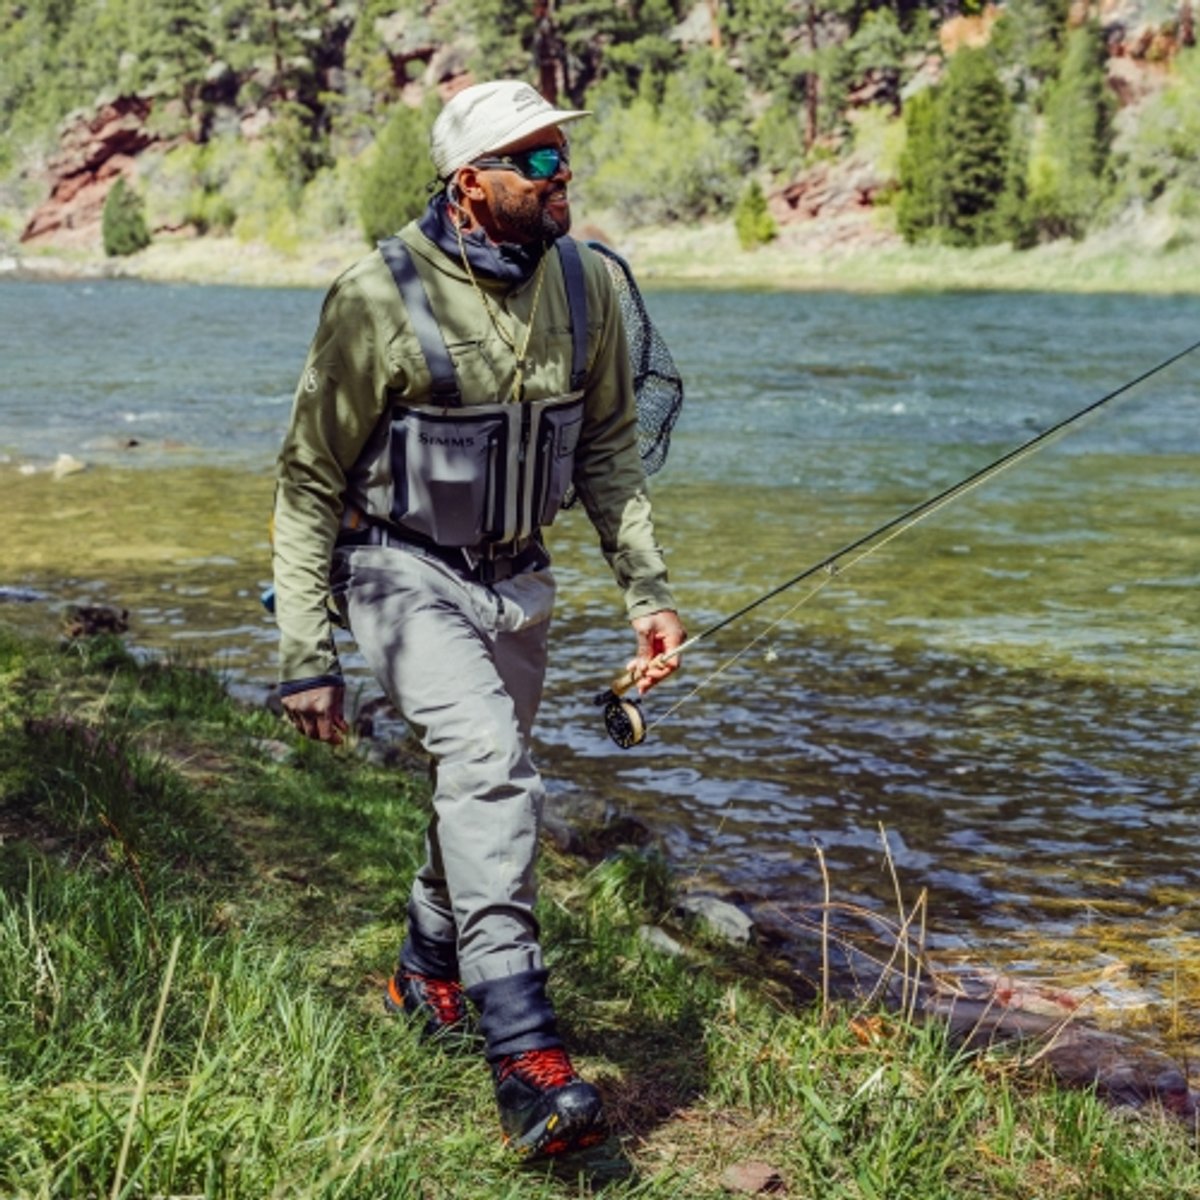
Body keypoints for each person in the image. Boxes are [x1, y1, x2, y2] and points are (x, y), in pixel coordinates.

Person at [270, 78, 685, 1158]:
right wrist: (306, 656)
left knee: (478, 789)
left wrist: (648, 595)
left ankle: (423, 975)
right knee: (494, 770)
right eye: (538, 161)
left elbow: (607, 451)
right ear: (472, 184)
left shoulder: (589, 287)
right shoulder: (377, 298)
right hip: (399, 573)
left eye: (562, 156)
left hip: (519, 584)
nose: (563, 177)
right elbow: (309, 479)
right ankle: (526, 1062)